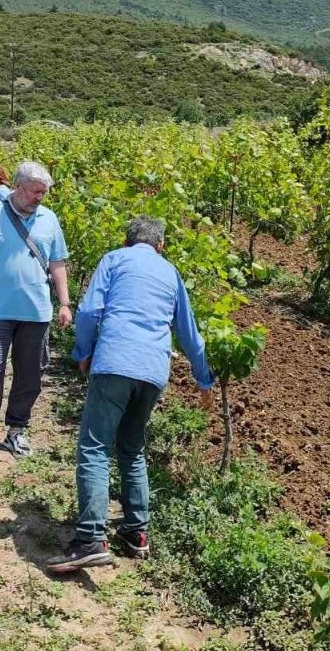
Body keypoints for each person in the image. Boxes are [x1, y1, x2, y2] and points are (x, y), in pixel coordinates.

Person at [46, 216, 215, 573]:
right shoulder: (171, 273)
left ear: (127, 241)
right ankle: (136, 531)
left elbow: (91, 310)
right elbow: (189, 333)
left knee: (94, 447)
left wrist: (81, 352)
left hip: (116, 362)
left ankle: (90, 537)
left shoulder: (114, 260)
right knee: (132, 446)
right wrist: (204, 380)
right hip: (153, 371)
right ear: (161, 246)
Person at [0, 161, 71, 466]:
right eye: (35, 191)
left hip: (36, 312)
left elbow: (57, 265)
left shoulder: (49, 219)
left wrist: (64, 303)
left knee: (30, 374)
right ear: (18, 187)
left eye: (44, 193)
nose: (40, 198)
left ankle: (16, 430)